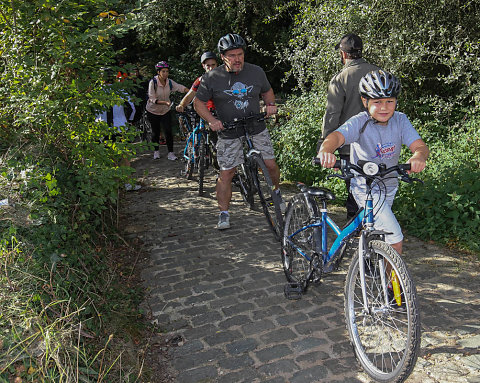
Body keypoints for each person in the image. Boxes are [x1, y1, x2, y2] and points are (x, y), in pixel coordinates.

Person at [316, 69, 429, 256]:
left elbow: (420, 146)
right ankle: (393, 286)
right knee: (395, 239)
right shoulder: (359, 122)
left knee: (380, 233)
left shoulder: (400, 120)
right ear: (365, 101)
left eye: (389, 101)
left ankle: (374, 265)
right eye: (377, 102)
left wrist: (418, 156)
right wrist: (326, 150)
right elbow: (335, 137)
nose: (384, 107)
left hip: (389, 186)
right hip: (364, 187)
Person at [193, 33, 284, 230]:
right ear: (223, 57)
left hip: (255, 125)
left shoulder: (256, 72)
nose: (237, 59)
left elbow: (267, 91)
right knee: (227, 173)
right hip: (228, 129)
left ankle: (276, 192)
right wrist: (212, 121)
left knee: (269, 164)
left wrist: (270, 104)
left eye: (240, 54)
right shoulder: (211, 77)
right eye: (232, 55)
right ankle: (223, 213)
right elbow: (198, 103)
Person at [319, 33, 380, 219]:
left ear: (343, 54)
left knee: (355, 188)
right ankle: (375, 225)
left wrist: (325, 144)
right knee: (376, 187)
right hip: (378, 141)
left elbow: (332, 114)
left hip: (350, 144)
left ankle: (356, 229)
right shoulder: (378, 73)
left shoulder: (340, 78)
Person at [96, 67, 140, 191]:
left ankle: (110, 185)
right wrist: (130, 121)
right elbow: (132, 107)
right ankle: (127, 183)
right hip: (120, 127)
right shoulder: (120, 90)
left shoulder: (95, 92)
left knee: (106, 157)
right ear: (114, 77)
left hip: (101, 128)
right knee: (124, 156)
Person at [146, 61, 188, 160]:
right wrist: (164, 102)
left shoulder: (169, 82)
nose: (165, 74)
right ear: (158, 72)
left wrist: (190, 91)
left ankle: (170, 153)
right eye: (163, 71)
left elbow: (179, 87)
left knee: (168, 131)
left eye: (167, 71)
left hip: (165, 110)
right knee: (156, 131)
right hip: (153, 110)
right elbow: (152, 98)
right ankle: (156, 151)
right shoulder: (153, 82)